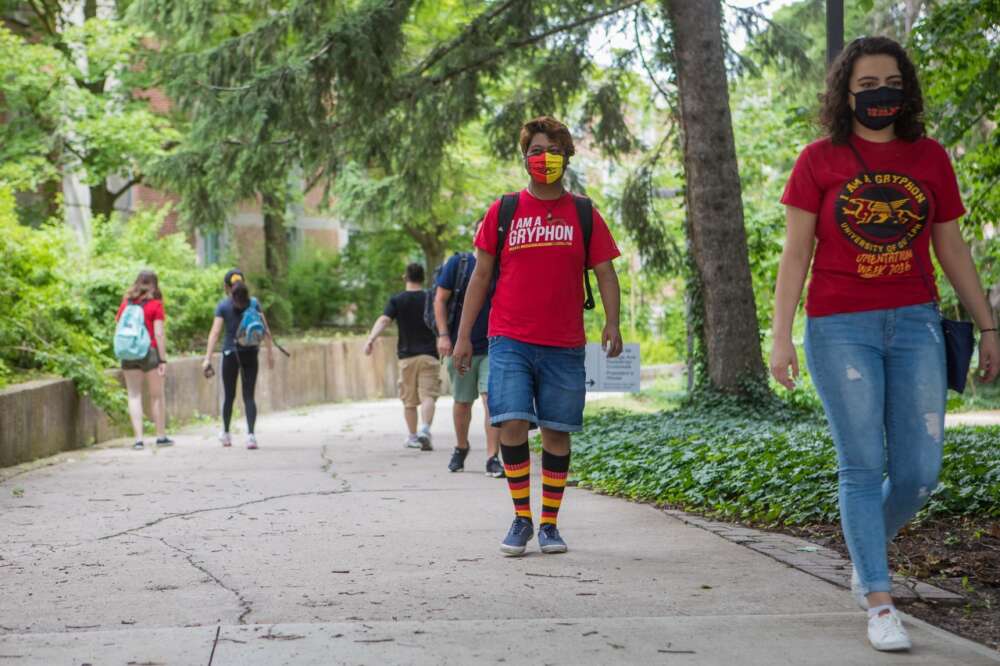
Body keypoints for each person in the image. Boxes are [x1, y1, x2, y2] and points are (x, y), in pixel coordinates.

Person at [770, 36, 999, 652]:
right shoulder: (819, 159)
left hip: (917, 324)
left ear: (907, 88)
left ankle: (865, 547)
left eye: (890, 82)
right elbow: (796, 254)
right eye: (867, 85)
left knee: (921, 473)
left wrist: (987, 326)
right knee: (862, 465)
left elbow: (952, 247)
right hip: (840, 326)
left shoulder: (929, 158)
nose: (880, 94)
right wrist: (780, 336)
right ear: (846, 94)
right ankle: (878, 596)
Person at [454, 116, 623, 557]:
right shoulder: (504, 210)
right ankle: (521, 517)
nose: (542, 158)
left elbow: (605, 272)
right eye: (534, 151)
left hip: (564, 342)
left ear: (565, 156)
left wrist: (612, 322)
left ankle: (549, 524)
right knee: (510, 421)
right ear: (524, 157)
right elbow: (480, 276)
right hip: (509, 337)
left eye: (551, 150)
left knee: (556, 432)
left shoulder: (584, 213)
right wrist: (462, 337)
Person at [434, 249, 503, 477]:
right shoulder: (459, 263)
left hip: (494, 345)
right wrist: (444, 336)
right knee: (462, 402)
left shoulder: (502, 263)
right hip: (460, 346)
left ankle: (492, 457)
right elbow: (440, 299)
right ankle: (461, 447)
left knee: (490, 400)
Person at [364, 263, 441, 450]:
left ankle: (413, 436)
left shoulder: (397, 300)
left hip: (407, 357)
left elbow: (384, 320)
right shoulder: (431, 299)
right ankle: (425, 429)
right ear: (423, 278)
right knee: (428, 395)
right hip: (430, 355)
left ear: (405, 277)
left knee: (409, 400)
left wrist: (371, 339)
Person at [202, 269, 275, 449]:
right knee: (249, 396)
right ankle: (251, 436)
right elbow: (265, 330)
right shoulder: (254, 303)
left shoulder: (223, 306)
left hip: (230, 354)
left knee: (229, 396)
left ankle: (226, 434)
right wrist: (270, 353)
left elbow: (215, 333)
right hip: (251, 353)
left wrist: (207, 358)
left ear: (227, 287)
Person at [115, 270, 172, 450]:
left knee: (133, 395)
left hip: (129, 352)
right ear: (154, 285)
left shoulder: (126, 304)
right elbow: (159, 333)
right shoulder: (155, 305)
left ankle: (138, 440)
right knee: (156, 395)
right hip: (150, 351)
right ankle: (160, 436)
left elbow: (119, 326)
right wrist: (162, 360)